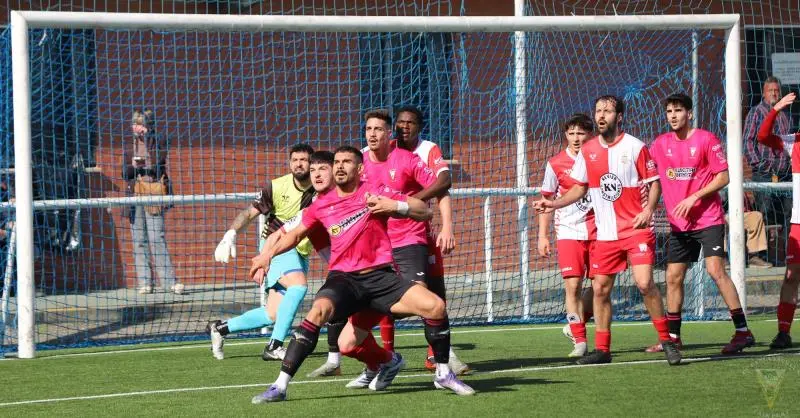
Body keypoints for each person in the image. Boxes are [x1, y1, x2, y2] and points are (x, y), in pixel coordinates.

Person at [250, 146, 474, 403]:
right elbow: (293, 235)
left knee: (435, 306)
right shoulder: (320, 204)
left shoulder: (376, 191)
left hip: (381, 279)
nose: (340, 167)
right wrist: (268, 255)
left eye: (346, 162)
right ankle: (280, 386)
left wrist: (395, 206)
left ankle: (443, 373)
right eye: (336, 162)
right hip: (344, 280)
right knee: (325, 321)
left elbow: (425, 211)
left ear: (360, 169)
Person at [533, 95, 680, 366]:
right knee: (599, 289)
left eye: (608, 111)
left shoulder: (635, 146)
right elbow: (578, 188)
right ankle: (602, 349)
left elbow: (654, 183)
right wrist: (552, 202)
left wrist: (648, 211)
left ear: (619, 116)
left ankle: (668, 340)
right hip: (605, 234)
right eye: (598, 110)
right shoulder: (588, 150)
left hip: (634, 229)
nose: (601, 116)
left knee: (645, 283)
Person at [648, 93, 755, 355]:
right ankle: (673, 336)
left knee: (715, 271)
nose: (673, 116)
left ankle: (743, 331)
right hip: (679, 225)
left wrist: (694, 196)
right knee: (673, 277)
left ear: (690, 114)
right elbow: (652, 179)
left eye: (678, 110)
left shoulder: (706, 140)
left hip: (708, 219)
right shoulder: (659, 145)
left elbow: (724, 176)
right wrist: (646, 208)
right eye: (669, 111)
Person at [210, 143, 315, 361]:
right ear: (289, 163)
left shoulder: (320, 186)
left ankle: (220, 328)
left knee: (272, 313)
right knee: (299, 285)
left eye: (303, 160)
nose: (298, 164)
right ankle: (275, 346)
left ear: (311, 163)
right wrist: (230, 234)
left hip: (300, 250)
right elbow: (249, 214)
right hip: (275, 247)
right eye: (294, 160)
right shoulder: (276, 187)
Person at [392, 105, 466, 373]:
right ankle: (385, 354)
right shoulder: (384, 151)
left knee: (435, 291)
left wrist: (447, 227)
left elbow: (444, 183)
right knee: (384, 291)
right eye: (400, 122)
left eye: (410, 122)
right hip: (389, 235)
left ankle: (436, 355)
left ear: (419, 126)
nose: (404, 126)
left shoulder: (428, 149)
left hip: (421, 233)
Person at [538, 113, 596, 358]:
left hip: (600, 231)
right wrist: (542, 236)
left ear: (589, 135)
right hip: (569, 232)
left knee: (601, 286)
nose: (575, 138)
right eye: (571, 133)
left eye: (581, 133)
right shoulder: (555, 163)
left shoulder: (599, 157)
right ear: (565, 135)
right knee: (573, 286)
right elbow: (546, 201)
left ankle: (574, 323)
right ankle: (579, 340)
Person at [756, 91, 800, 349]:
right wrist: (776, 109)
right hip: (798, 224)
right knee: (791, 277)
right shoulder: (794, 142)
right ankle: (783, 332)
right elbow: (762, 136)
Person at [122, 110, 181, 295]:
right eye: (134, 123)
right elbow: (124, 174)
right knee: (139, 239)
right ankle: (145, 282)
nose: (136, 128)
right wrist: (133, 165)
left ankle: (169, 281)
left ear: (148, 126)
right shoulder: (129, 146)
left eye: (139, 124)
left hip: (154, 191)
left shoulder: (159, 141)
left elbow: (159, 162)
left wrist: (147, 144)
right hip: (136, 193)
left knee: (157, 237)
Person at [744, 76, 793, 246]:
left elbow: (788, 143)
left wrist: (790, 164)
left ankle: (790, 252)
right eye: (770, 90)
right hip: (764, 174)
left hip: (785, 174)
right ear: (764, 93)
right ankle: (760, 255)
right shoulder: (756, 112)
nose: (774, 93)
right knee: (763, 212)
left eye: (776, 90)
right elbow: (748, 141)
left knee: (790, 211)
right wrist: (759, 164)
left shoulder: (786, 115)